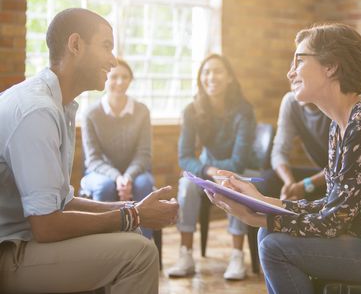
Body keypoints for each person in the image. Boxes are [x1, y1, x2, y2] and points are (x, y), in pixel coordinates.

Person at [206, 24, 361, 293]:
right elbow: (333, 205)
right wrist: (261, 202)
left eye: (299, 61)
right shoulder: (342, 125)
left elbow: (334, 221)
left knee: (274, 245)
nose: (290, 72)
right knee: (270, 235)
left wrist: (258, 217)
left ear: (331, 66)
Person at [0, 8, 178, 294]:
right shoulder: (37, 111)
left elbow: (62, 202)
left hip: (25, 238)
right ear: (75, 45)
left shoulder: (59, 105)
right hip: (9, 252)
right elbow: (46, 225)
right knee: (140, 254)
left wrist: (132, 210)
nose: (114, 60)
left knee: (127, 232)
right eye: (106, 46)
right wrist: (135, 215)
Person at [167, 53, 257, 280]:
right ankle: (185, 253)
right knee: (186, 186)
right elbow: (184, 157)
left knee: (234, 184)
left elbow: (238, 162)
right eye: (206, 72)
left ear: (229, 78)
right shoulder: (191, 110)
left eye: (217, 71)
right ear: (200, 78)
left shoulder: (244, 111)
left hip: (237, 170)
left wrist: (217, 172)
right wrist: (208, 171)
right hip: (206, 169)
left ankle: (237, 255)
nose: (211, 77)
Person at [80, 58, 155, 239]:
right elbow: (93, 159)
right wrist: (117, 177)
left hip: (135, 172)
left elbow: (144, 154)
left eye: (125, 77)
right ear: (105, 78)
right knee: (105, 186)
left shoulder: (142, 111)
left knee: (144, 184)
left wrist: (128, 176)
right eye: (114, 77)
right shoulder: (90, 113)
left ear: (131, 80)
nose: (120, 82)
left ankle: (144, 245)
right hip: (98, 174)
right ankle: (106, 244)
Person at [258, 91, 330, 200]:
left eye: (300, 80)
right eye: (294, 82)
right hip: (322, 174)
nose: (292, 75)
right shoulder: (291, 101)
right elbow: (279, 152)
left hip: (342, 177)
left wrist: (305, 185)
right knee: (267, 180)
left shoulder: (335, 104)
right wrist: (289, 183)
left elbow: (342, 166)